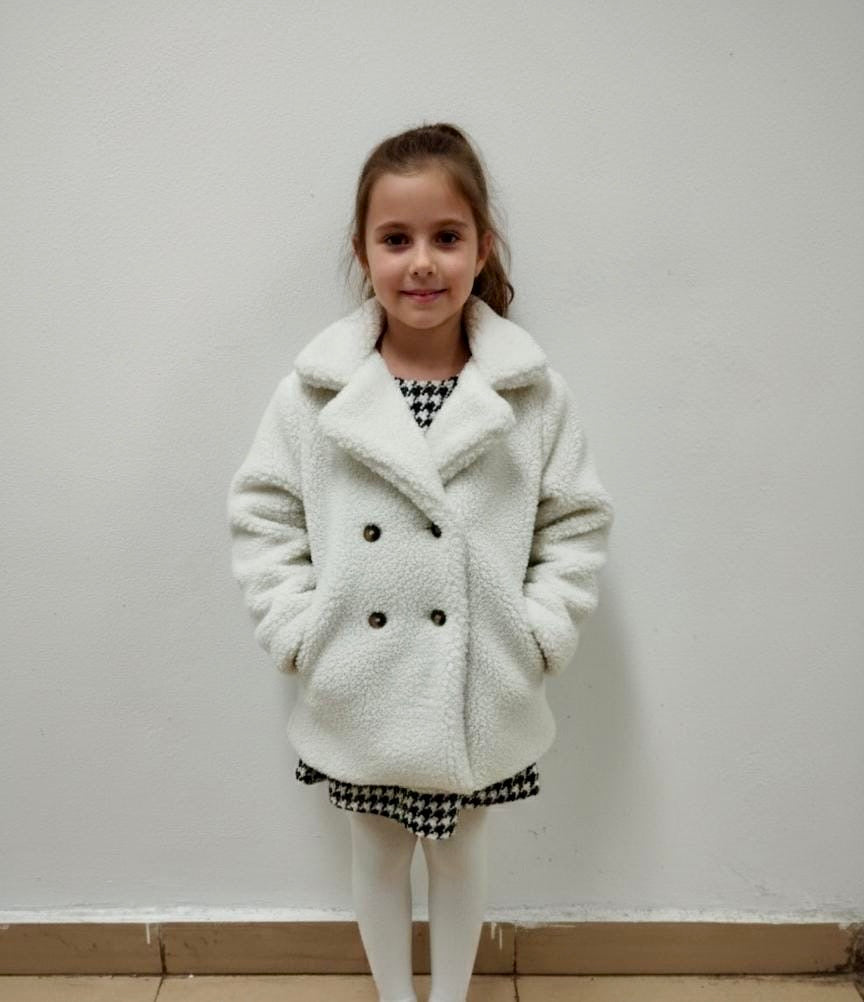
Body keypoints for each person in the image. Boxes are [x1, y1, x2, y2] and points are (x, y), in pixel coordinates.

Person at [227, 122, 614, 1002]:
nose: (423, 263)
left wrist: (539, 633)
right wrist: (299, 630)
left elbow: (575, 520)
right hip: (360, 674)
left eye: (447, 236)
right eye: (396, 239)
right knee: (376, 849)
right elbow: (263, 513)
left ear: (483, 246)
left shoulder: (530, 394)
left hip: (480, 678)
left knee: (463, 848)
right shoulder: (315, 393)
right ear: (362, 252)